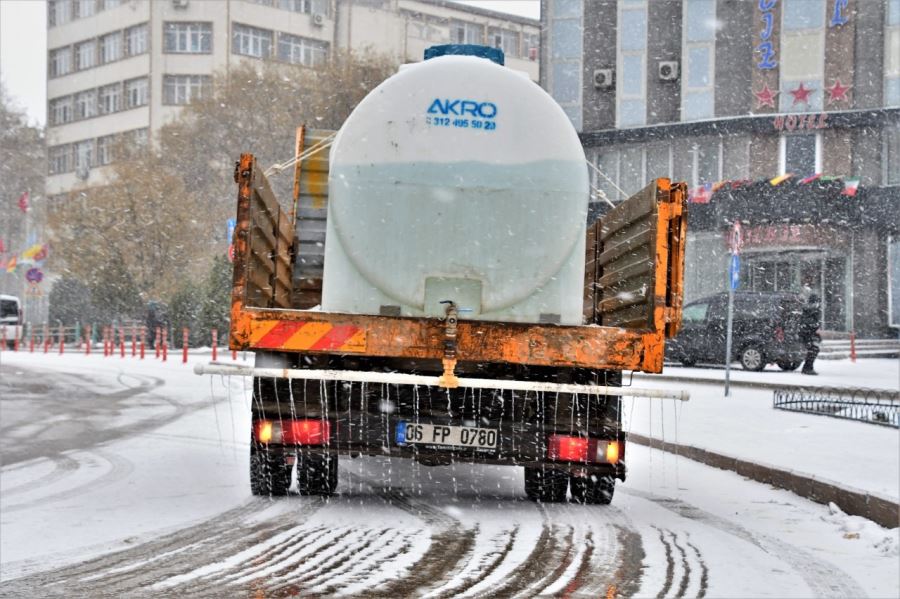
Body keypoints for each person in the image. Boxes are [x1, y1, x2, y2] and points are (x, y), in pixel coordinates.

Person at [799, 294, 821, 375]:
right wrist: (815, 325)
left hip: (810, 334)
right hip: (808, 334)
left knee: (814, 350)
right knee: (813, 350)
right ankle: (807, 368)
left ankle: (808, 367)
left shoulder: (812, 310)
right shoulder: (810, 309)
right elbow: (807, 322)